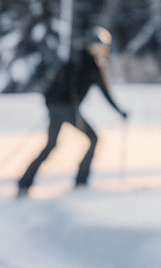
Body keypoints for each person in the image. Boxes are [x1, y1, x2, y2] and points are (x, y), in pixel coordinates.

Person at [17, 27, 128, 197]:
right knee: (93, 138)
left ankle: (25, 181)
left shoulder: (77, 60)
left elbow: (102, 92)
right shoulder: (88, 65)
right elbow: (65, 85)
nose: (100, 51)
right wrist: (119, 111)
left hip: (59, 108)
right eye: (97, 47)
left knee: (51, 145)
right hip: (67, 109)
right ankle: (81, 180)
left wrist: (119, 111)